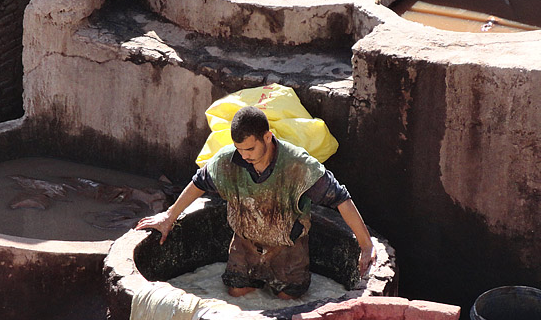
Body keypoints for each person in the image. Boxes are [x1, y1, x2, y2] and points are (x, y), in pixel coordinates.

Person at [135, 105, 375, 300]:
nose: (244, 156)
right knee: (236, 295)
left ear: (268, 137)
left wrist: (365, 246)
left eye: (250, 148)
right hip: (245, 245)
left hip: (288, 250)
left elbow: (341, 199)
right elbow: (199, 183)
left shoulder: (298, 166)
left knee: (287, 303)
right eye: (239, 149)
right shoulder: (228, 160)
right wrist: (169, 217)